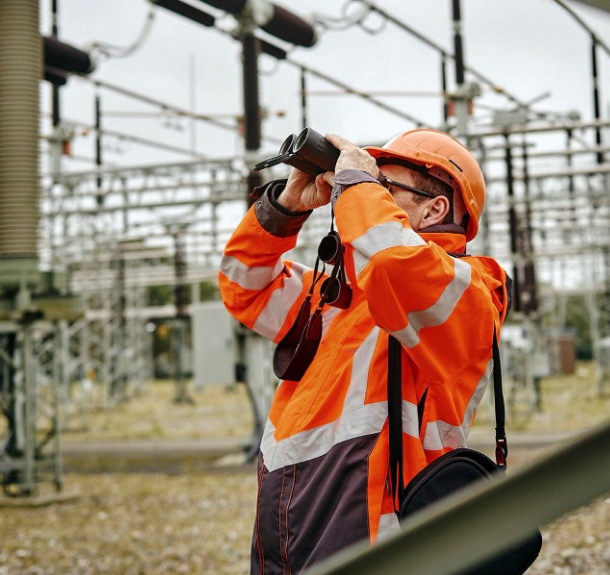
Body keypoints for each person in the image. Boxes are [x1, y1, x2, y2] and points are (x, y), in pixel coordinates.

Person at [218, 128, 510, 573]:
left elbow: (397, 265)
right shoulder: (339, 296)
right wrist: (284, 209)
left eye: (386, 186)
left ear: (436, 208)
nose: (362, 192)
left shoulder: (471, 288)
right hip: (287, 506)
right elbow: (244, 287)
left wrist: (357, 183)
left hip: (380, 512)